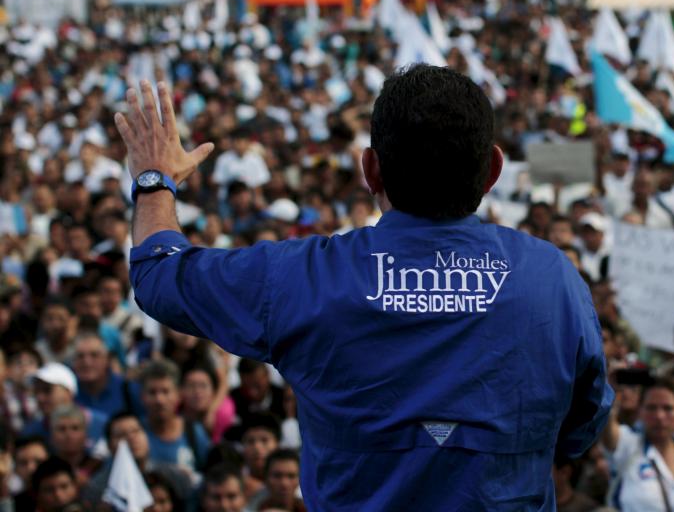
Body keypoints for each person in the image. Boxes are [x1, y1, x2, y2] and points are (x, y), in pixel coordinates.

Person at [117, 69, 612, 509]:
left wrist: (155, 181)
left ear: (370, 169)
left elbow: (159, 274)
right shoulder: (553, 278)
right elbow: (583, 421)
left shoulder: (305, 278)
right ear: (494, 171)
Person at [602, 378, 674, 511]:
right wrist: (607, 390)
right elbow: (608, 430)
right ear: (640, 411)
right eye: (651, 408)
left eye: (668, 408)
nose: (659, 416)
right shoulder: (626, 444)